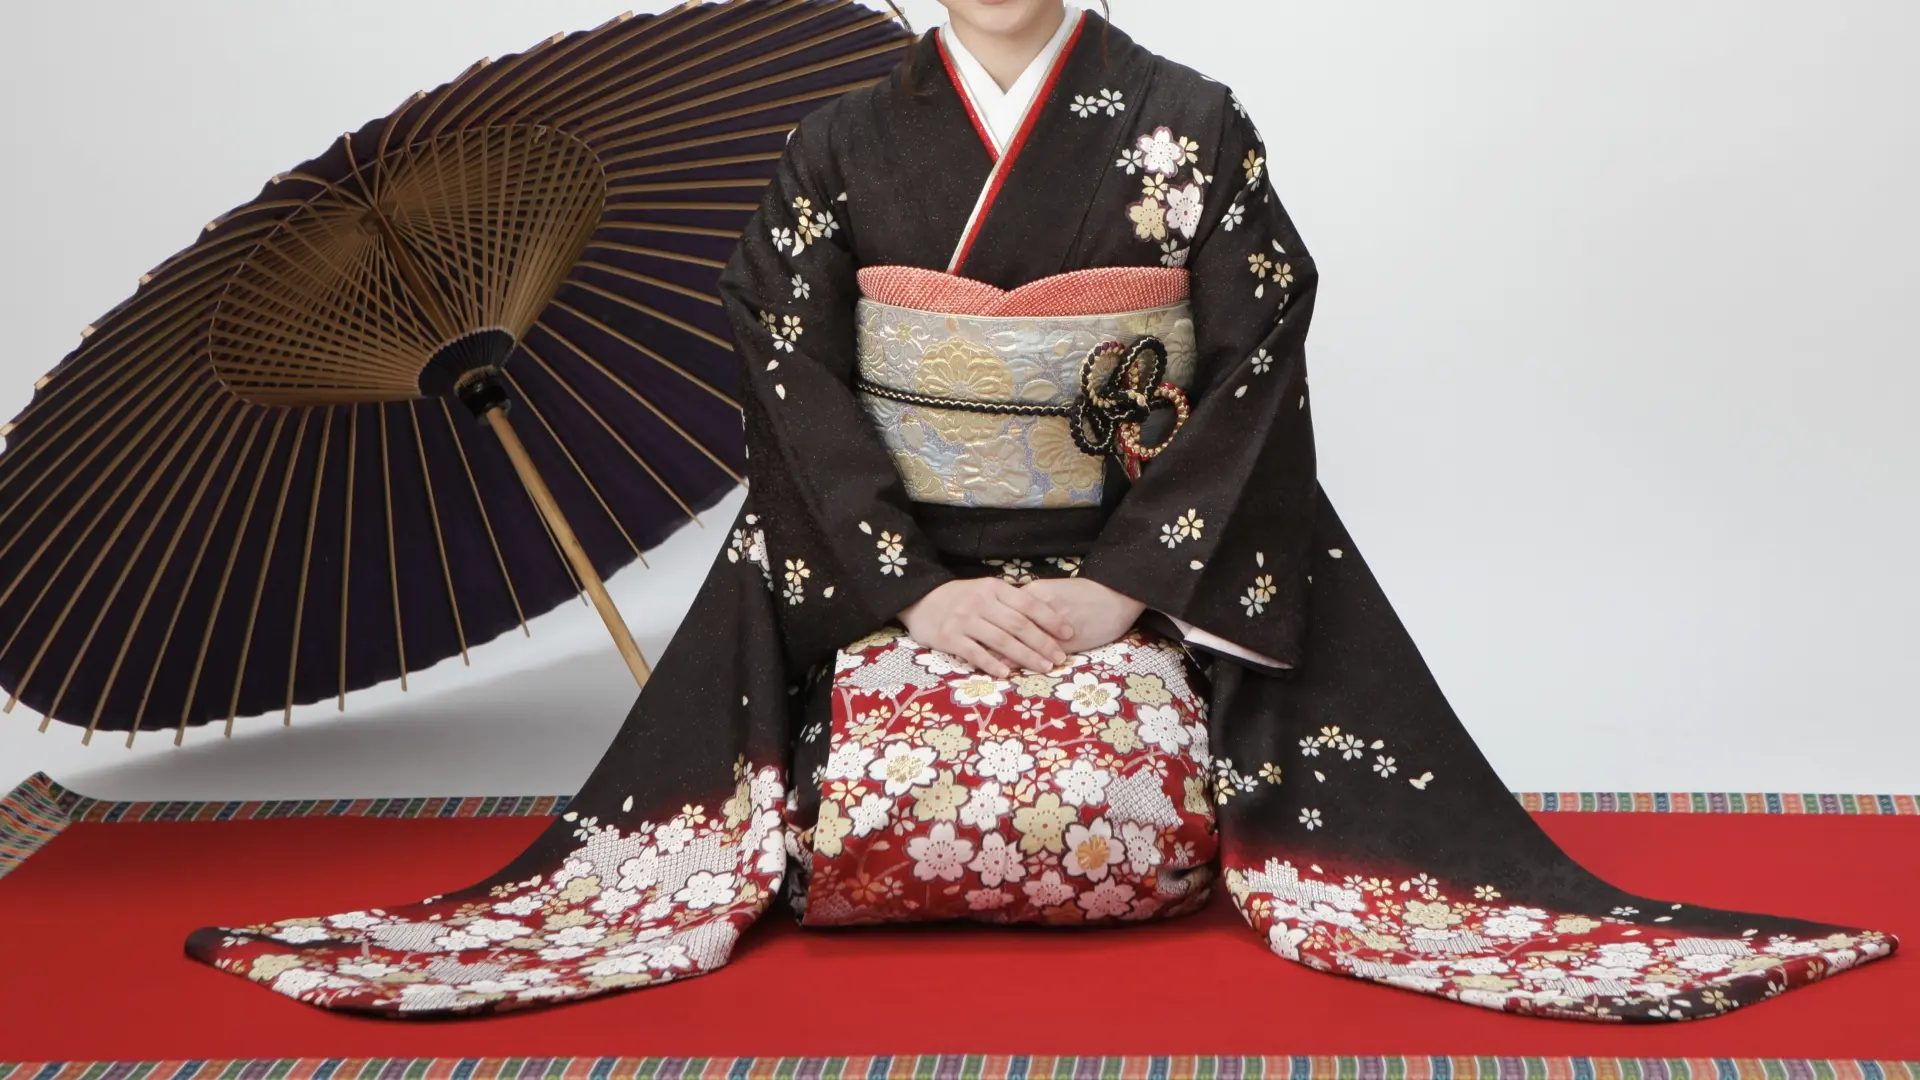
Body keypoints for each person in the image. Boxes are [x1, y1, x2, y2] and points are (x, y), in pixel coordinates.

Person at [186, 0, 1894, 1020]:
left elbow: (1258, 344)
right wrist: (911, 590)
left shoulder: (1189, 124)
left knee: (1345, 768)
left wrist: (1128, 580)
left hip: (1126, 550)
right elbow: (788, 361)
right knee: (727, 760)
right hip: (898, 560)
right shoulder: (840, 142)